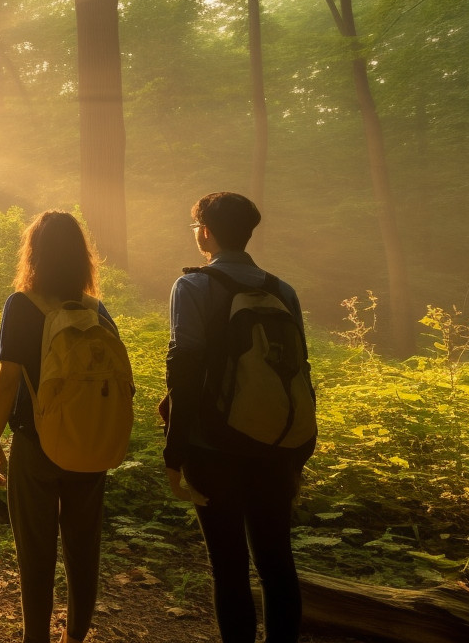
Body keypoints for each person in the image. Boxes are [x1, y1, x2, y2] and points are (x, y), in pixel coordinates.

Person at [162, 192, 312, 643]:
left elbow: (183, 369)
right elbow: (299, 372)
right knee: (276, 562)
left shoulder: (192, 286)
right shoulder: (281, 290)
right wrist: (300, 447)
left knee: (228, 566)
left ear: (205, 231)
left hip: (213, 445)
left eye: (196, 228)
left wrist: (174, 450)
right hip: (276, 443)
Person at [0, 211, 115, 643]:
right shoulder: (96, 309)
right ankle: (75, 635)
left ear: (34, 252)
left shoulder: (22, 304)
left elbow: (7, 382)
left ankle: (35, 638)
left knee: (35, 551)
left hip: (35, 442)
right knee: (84, 548)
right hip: (89, 444)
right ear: (82, 256)